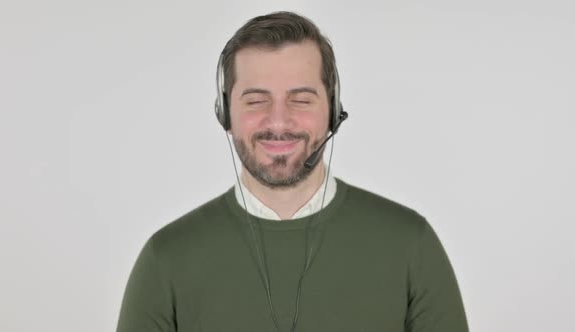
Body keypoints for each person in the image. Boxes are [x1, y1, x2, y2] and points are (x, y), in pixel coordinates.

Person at [116, 11, 469, 332]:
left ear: (333, 110)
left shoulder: (411, 245)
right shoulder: (165, 259)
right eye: (256, 100)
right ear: (225, 113)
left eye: (301, 99)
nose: (279, 121)